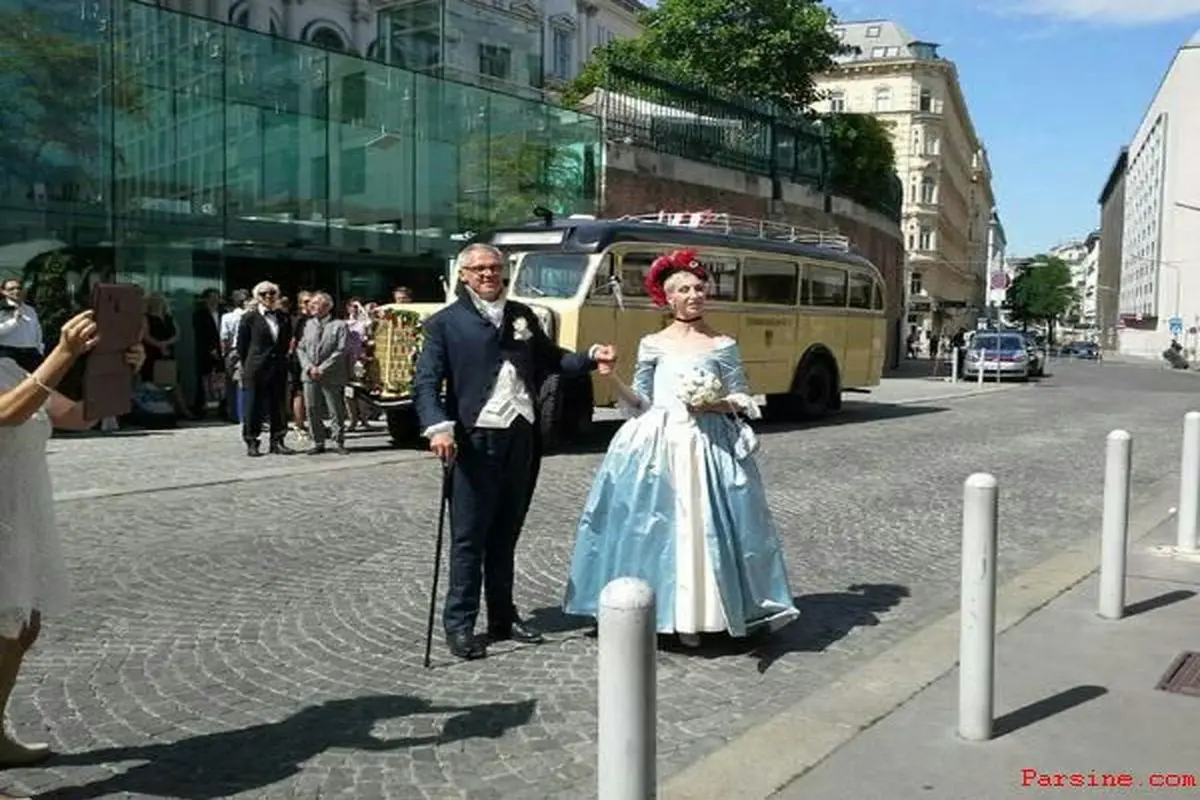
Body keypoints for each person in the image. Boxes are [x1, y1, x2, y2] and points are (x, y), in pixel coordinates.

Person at [562, 249, 799, 646]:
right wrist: (610, 377)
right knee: (651, 528)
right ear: (668, 298)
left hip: (708, 444)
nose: (695, 295)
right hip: (657, 442)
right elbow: (639, 401)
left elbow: (743, 395)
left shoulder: (722, 344)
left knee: (708, 526)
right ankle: (663, 611)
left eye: (699, 288)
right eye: (685, 289)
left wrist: (715, 404)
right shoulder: (652, 343)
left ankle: (708, 614)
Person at [413, 243, 616, 661]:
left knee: (506, 534)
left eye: (495, 268)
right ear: (464, 275)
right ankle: (460, 624)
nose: (489, 274)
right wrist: (438, 427)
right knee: (469, 538)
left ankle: (503, 617)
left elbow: (552, 361)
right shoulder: (445, 325)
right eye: (480, 269)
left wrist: (590, 358)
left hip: (521, 438)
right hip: (473, 440)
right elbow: (426, 383)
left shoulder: (522, 316)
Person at [0, 311, 143, 800]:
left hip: (19, 515)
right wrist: (63, 353)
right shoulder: (25, 375)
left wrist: (121, 368)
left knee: (22, 626)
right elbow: (6, 413)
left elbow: (77, 416)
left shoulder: (12, 369)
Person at [235, 281, 294, 457]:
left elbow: (285, 342)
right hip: (256, 368)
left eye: (272, 293)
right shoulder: (249, 318)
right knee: (253, 406)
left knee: (278, 405)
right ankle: (252, 441)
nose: (268, 296)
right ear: (257, 297)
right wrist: (249, 365)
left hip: (278, 367)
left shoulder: (283, 317)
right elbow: (242, 345)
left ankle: (278, 440)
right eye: (263, 294)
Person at [297, 292, 349, 455]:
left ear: (327, 306)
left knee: (335, 410)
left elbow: (341, 349)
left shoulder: (339, 325)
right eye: (311, 303)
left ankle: (338, 440)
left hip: (331, 374)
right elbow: (300, 348)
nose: (311, 306)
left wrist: (323, 368)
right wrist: (309, 367)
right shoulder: (307, 324)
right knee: (312, 408)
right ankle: (317, 441)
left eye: (316, 303)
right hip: (310, 374)